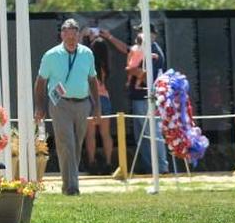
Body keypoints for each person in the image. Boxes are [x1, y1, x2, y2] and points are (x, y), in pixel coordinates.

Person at [34, 19, 100, 196]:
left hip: (83, 103)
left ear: (78, 35)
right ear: (62, 35)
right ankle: (72, 187)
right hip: (60, 104)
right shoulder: (51, 55)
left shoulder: (87, 53)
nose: (71, 39)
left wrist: (97, 106)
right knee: (66, 144)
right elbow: (40, 82)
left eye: (74, 36)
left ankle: (69, 183)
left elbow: (93, 80)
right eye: (67, 36)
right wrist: (39, 107)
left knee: (77, 145)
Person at [98, 25, 169, 175]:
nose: (138, 34)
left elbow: (144, 74)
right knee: (142, 136)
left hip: (147, 99)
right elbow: (128, 50)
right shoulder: (141, 49)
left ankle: (162, 168)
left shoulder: (154, 51)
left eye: (141, 31)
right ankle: (149, 166)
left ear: (152, 35)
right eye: (138, 31)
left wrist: (131, 70)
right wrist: (110, 37)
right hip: (139, 98)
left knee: (152, 134)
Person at [83, 36, 114, 174]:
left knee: (90, 135)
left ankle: (92, 162)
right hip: (105, 98)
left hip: (90, 99)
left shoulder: (88, 64)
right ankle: (108, 163)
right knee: (105, 134)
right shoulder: (105, 65)